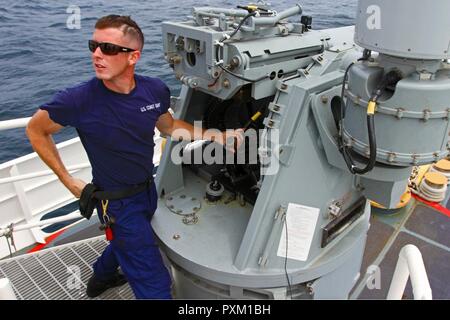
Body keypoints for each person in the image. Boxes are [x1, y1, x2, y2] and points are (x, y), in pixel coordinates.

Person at [26, 15, 243, 299]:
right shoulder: (78, 100)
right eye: (94, 46)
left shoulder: (154, 90)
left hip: (147, 190)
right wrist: (67, 180)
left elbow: (168, 126)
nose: (97, 55)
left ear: (133, 57)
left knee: (124, 245)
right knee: (154, 284)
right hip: (116, 204)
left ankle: (99, 280)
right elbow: (36, 130)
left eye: (109, 49)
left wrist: (217, 136)